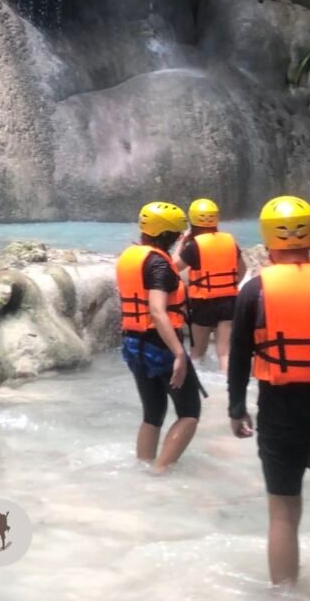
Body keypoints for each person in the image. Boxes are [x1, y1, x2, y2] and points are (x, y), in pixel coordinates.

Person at [228, 195, 310, 585]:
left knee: (283, 514)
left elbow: (239, 356)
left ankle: (284, 595)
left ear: (268, 239)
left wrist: (236, 408)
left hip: (279, 411)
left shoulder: (254, 291)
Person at [116, 201, 202, 471]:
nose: (179, 237)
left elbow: (163, 268)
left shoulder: (134, 256)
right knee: (189, 412)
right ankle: (160, 471)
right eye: (175, 235)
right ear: (166, 235)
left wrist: (182, 244)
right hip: (160, 345)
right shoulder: (159, 265)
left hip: (134, 343)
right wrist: (179, 354)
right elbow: (157, 310)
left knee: (153, 414)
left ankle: (143, 467)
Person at [175, 198, 245, 371]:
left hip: (202, 303)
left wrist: (181, 243)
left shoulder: (194, 246)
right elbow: (243, 269)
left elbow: (174, 266)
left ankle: (196, 387)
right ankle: (227, 390)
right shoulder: (230, 241)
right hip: (228, 301)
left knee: (197, 352)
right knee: (225, 353)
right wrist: (229, 286)